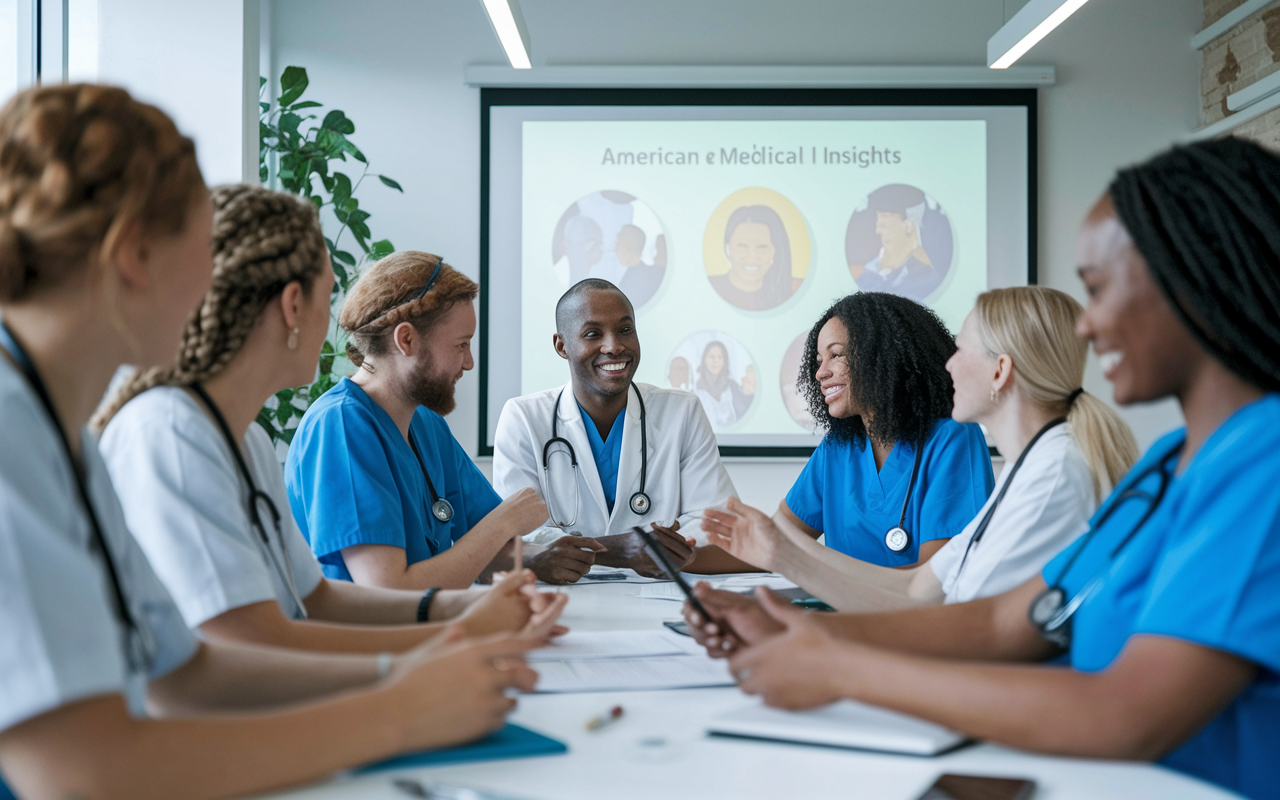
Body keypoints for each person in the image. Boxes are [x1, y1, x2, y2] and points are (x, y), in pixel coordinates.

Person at [685, 137, 1280, 800]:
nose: (1085, 330)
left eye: (1100, 290)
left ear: (1195, 280)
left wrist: (839, 665)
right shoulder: (1171, 463)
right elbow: (1006, 621)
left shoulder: (1266, 464)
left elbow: (1126, 714)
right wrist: (799, 627)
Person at [0, 83, 537, 800]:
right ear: (136, 255)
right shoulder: (54, 429)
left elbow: (184, 674)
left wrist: (430, 657)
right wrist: (396, 710)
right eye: (204, 254)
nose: (213, 289)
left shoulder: (66, 434)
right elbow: (80, 769)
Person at [94, 184, 566, 654]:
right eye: (327, 299)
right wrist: (434, 655)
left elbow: (313, 600)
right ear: (293, 305)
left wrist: (462, 616)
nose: (341, 326)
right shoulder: (171, 434)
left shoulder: (249, 441)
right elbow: (242, 649)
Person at [701, 286, 1138, 610]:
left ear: (1000, 370)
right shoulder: (1032, 470)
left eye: (961, 348)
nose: (946, 361)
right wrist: (781, 554)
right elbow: (920, 590)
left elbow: (951, 614)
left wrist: (805, 606)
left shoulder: (1052, 475)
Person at [285, 251, 548, 590]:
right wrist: (506, 519)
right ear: (406, 339)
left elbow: (488, 550)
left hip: (424, 632)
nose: (468, 363)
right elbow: (387, 590)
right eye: (461, 345)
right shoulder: (341, 425)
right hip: (363, 641)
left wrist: (562, 554)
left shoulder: (427, 424)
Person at [492, 279, 750, 583]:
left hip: (660, 594)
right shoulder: (523, 417)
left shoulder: (682, 412)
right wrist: (622, 549)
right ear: (562, 346)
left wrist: (647, 550)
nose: (614, 346)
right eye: (593, 334)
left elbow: (715, 523)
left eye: (625, 330)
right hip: (563, 596)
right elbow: (518, 536)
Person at [777, 292, 993, 569]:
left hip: (908, 613)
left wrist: (823, 580)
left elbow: (936, 578)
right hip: (842, 610)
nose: (820, 373)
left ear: (882, 356)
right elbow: (775, 543)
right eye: (819, 360)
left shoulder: (952, 437)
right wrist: (702, 556)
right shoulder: (838, 448)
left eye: (836, 355)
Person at [850, 185, 943, 299]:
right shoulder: (872, 272)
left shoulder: (925, 280)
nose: (878, 231)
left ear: (908, 227)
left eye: (884, 224)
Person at [708, 205, 796, 311]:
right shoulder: (708, 286)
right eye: (742, 246)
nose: (752, 257)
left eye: (761, 247)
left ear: (775, 250)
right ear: (728, 248)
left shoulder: (794, 290)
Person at [693, 340, 755, 428]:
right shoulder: (695, 389)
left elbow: (746, 413)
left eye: (720, 357)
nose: (715, 361)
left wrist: (750, 394)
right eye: (711, 356)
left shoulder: (732, 387)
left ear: (724, 360)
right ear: (704, 360)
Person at [616, 223, 665, 307]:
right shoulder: (636, 274)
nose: (615, 249)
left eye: (618, 244)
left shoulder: (641, 279)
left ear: (629, 247)